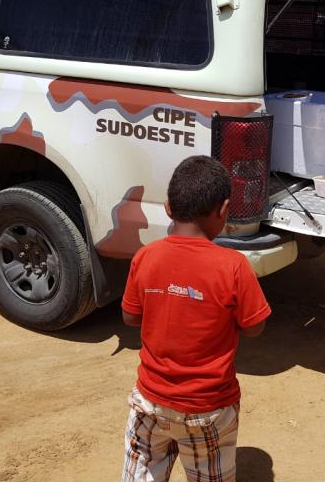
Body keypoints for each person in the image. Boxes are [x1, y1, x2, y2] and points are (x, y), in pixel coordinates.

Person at [121, 156, 271, 482]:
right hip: (209, 408)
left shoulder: (146, 256)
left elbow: (131, 316)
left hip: (150, 401)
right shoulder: (233, 266)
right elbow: (255, 326)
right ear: (224, 209)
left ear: (167, 208)